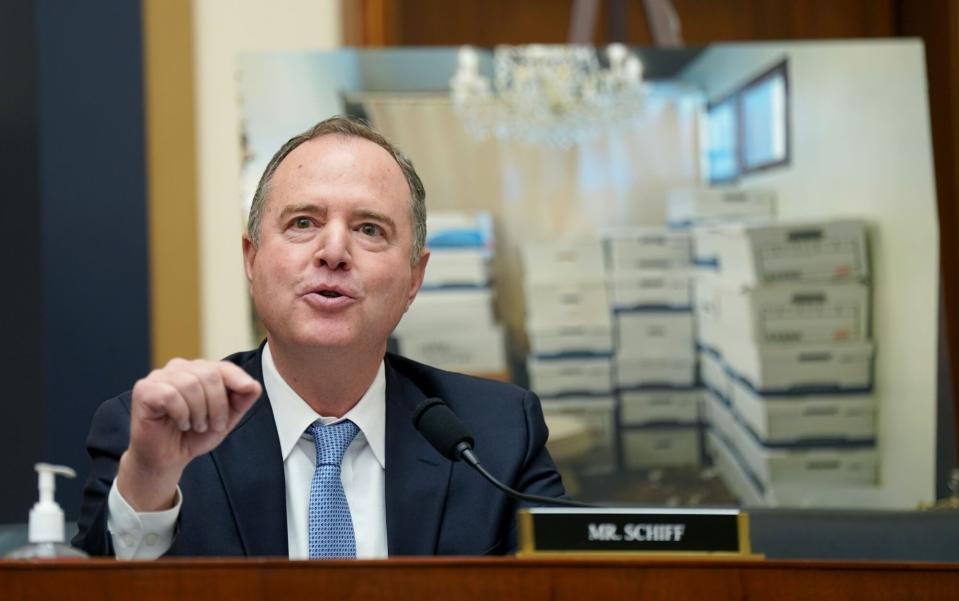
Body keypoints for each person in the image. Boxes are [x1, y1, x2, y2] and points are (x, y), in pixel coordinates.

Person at [73, 116, 566, 559]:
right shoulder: (156, 437)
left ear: (414, 279)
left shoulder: (497, 437)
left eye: (370, 229)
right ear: (251, 258)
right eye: (303, 223)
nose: (333, 252)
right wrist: (150, 480)